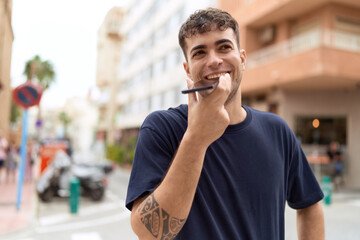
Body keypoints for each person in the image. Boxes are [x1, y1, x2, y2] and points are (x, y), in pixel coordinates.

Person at [126, 8, 325, 240]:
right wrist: (197, 138)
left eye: (224, 47)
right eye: (200, 52)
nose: (214, 60)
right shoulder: (162, 128)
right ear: (188, 69)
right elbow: (150, 234)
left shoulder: (277, 130)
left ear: (242, 59)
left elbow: (310, 206)